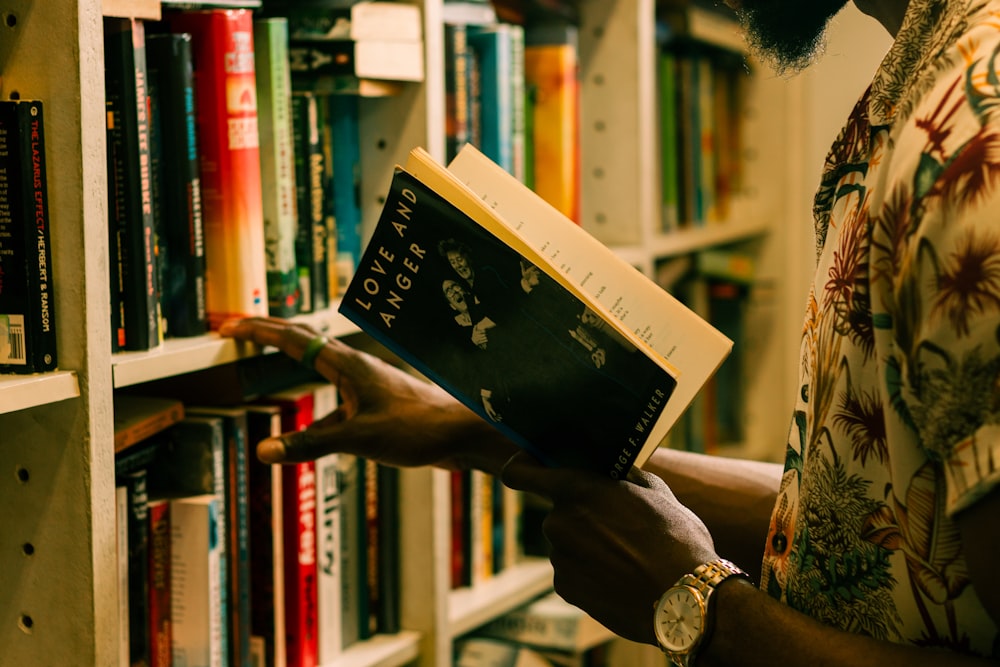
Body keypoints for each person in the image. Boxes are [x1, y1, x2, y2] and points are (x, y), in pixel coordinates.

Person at [219, 0, 1000, 663]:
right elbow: (860, 525)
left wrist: (702, 605)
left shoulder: (974, 147)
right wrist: (471, 427)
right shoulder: (919, 88)